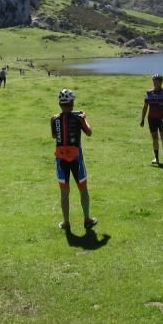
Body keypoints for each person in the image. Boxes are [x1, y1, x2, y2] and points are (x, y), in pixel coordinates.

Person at [51, 88, 97, 231]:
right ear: (72, 103)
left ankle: (66, 223)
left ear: (60, 103)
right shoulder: (79, 118)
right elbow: (89, 132)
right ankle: (87, 219)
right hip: (76, 159)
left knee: (64, 193)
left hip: (60, 160)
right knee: (83, 190)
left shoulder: (54, 119)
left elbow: (54, 136)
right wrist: (84, 117)